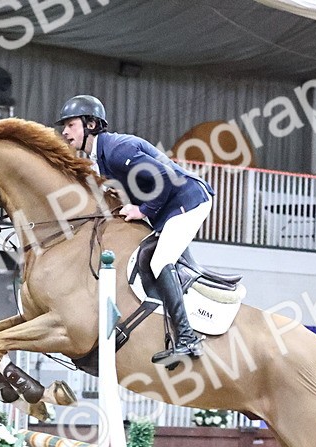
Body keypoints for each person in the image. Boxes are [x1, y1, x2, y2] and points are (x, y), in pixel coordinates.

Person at [56, 94, 214, 363]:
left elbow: (164, 177)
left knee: (161, 259)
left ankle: (187, 338)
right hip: (169, 206)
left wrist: (143, 211)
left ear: (91, 124)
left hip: (189, 199)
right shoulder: (101, 157)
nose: (64, 132)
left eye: (71, 125)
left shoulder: (117, 149)